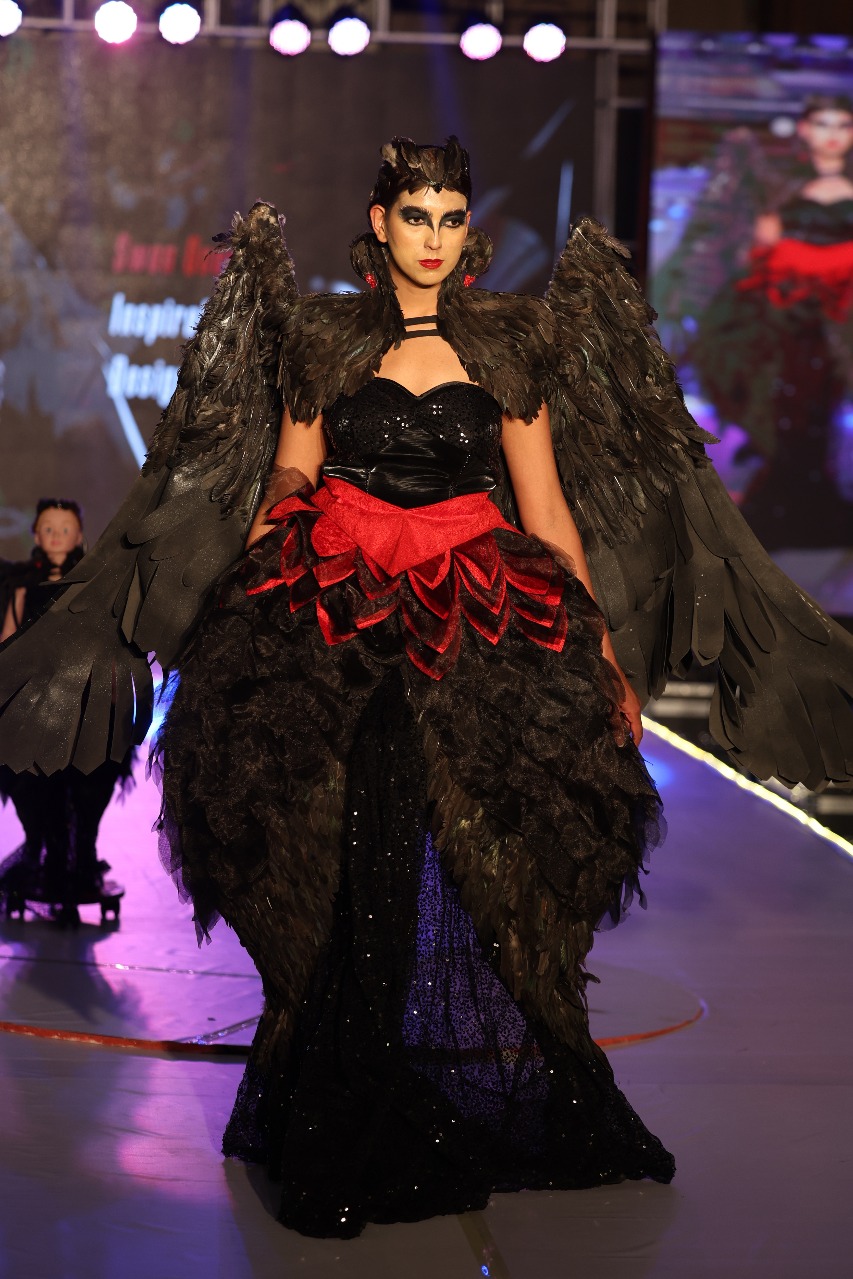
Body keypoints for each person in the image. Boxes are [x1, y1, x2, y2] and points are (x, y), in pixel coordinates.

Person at [0, 138, 851, 1236]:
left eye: (451, 217)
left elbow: (545, 511)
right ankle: (339, 1086)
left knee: (442, 843)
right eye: (416, 216)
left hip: (468, 611)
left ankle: (379, 1083)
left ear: (466, 229)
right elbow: (294, 463)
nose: (435, 237)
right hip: (335, 602)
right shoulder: (325, 337)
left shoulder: (508, 346)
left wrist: (597, 649)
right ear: (380, 223)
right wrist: (259, 567)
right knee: (338, 845)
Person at [660, 95, 853, 550]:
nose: (832, 135)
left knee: (823, 398)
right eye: (822, 124)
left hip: (838, 306)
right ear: (804, 129)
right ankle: (785, 492)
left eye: (843, 125)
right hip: (784, 303)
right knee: (785, 396)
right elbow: (755, 238)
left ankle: (814, 498)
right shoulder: (782, 182)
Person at [0, 500, 127, 923]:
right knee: (33, 786)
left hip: (85, 703)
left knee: (90, 782)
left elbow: (107, 641)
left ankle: (82, 853)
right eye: (49, 528)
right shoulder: (22, 588)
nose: (56, 536)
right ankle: (44, 849)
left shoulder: (93, 586)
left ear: (80, 536)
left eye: (65, 528)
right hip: (35, 706)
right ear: (36, 535)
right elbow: (7, 646)